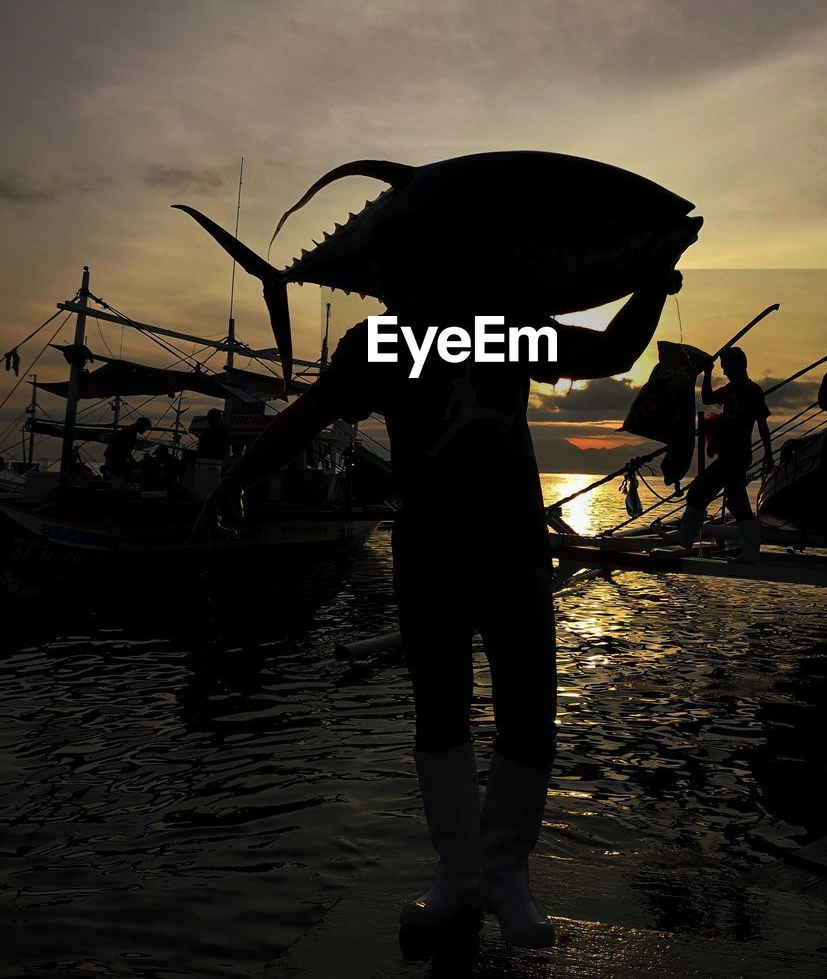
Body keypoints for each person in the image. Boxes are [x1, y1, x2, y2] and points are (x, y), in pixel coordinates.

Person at [193, 214, 693, 949]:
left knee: (528, 707)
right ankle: (456, 873)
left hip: (514, 547)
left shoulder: (500, 330)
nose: (401, 284)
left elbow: (613, 349)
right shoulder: (376, 344)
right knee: (439, 711)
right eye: (390, 273)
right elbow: (309, 412)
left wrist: (651, 284)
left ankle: (506, 875)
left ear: (445, 266)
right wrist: (234, 477)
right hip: (428, 549)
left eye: (416, 267)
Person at [667, 346, 774, 563]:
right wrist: (707, 372)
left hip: (738, 455)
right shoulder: (729, 389)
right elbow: (707, 399)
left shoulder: (753, 391)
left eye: (726, 368)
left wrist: (768, 454)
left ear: (737, 366)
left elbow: (762, 425)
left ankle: (750, 552)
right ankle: (687, 536)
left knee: (730, 499)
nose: (724, 373)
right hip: (726, 455)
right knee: (707, 493)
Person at [103, 416, 152, 485]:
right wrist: (132, 461)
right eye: (145, 428)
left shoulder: (128, 430)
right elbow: (125, 450)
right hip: (115, 457)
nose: (145, 431)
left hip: (112, 455)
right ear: (141, 426)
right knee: (124, 476)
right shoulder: (131, 433)